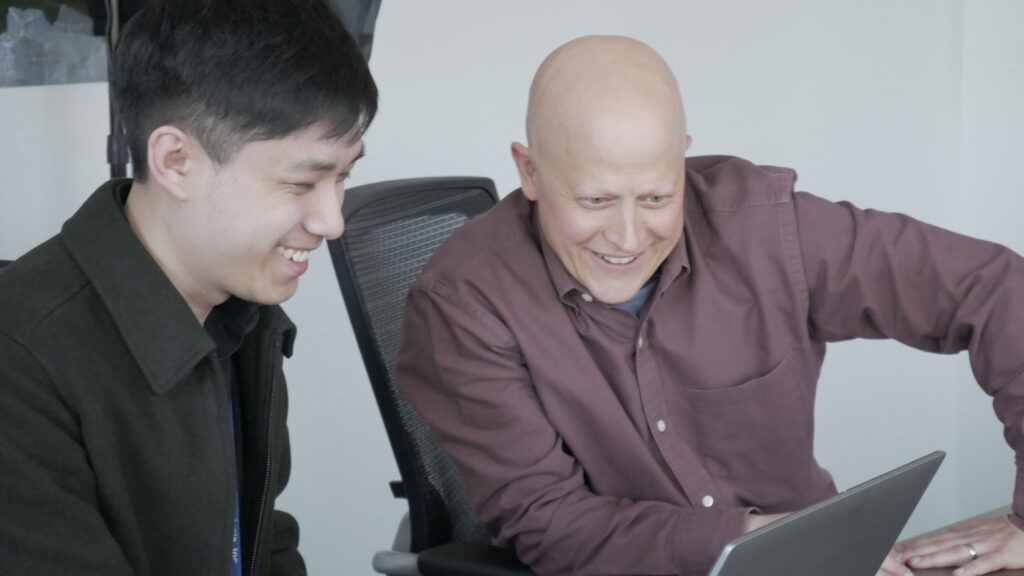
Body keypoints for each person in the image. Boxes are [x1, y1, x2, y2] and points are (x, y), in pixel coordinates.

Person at [394, 35, 1024, 576]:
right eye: (595, 201)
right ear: (529, 171)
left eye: (656, 197)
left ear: (684, 159)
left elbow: (997, 289)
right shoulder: (462, 303)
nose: (629, 236)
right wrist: (749, 540)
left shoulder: (768, 230)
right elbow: (549, 523)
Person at [0, 0, 376, 573]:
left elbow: (264, 541)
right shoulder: (21, 362)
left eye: (342, 177)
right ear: (176, 160)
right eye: (303, 183)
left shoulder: (242, 310)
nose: (332, 220)